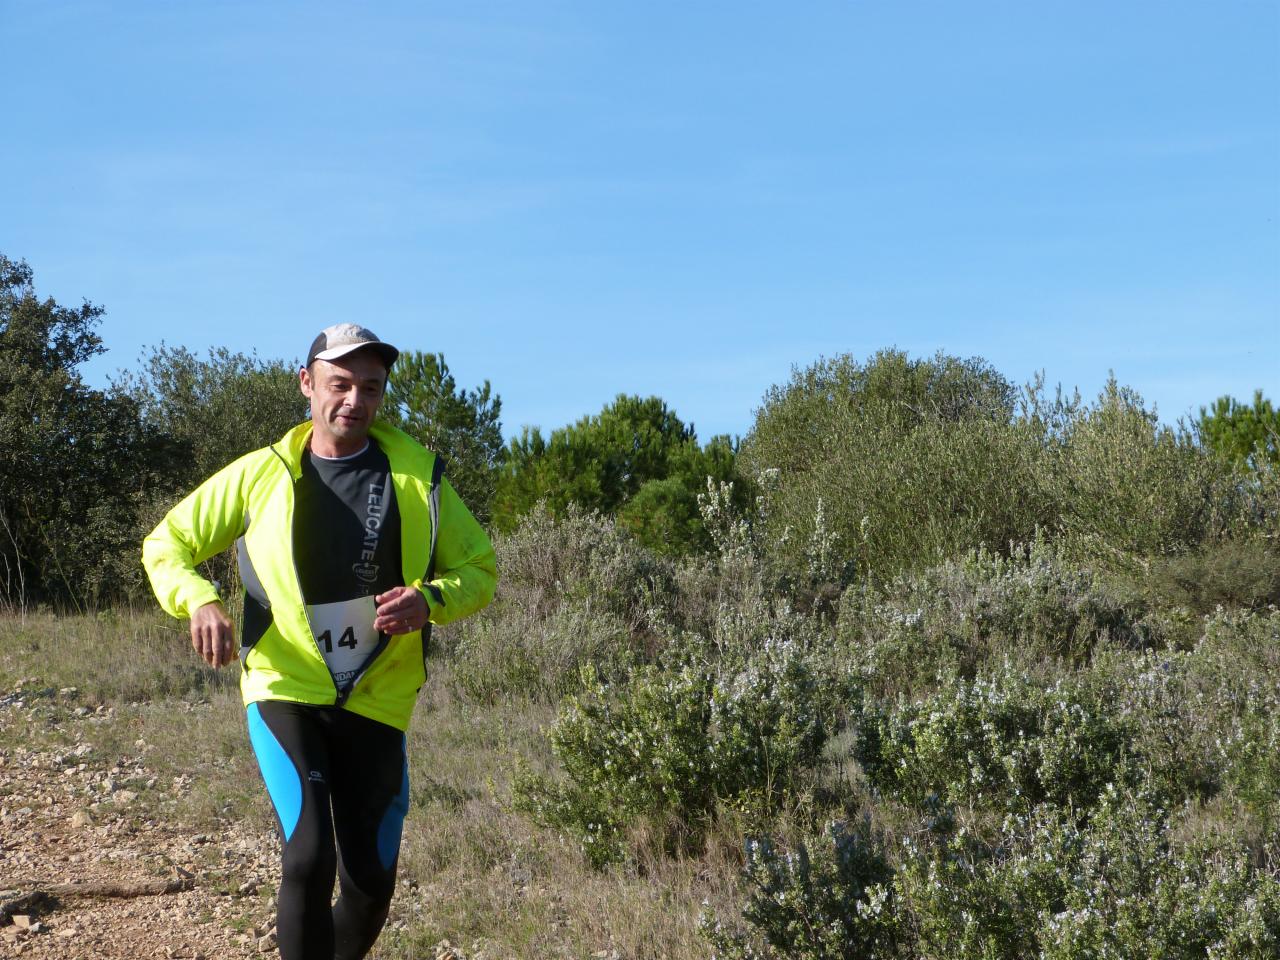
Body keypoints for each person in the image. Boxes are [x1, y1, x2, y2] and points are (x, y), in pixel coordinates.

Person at [142, 324, 497, 960]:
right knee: (308, 850)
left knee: (371, 884)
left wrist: (431, 600)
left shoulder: (419, 477)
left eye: (370, 387)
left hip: (378, 695)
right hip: (286, 684)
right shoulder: (262, 475)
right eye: (339, 384)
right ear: (308, 384)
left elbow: (480, 571)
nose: (353, 400)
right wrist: (199, 598)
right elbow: (167, 543)